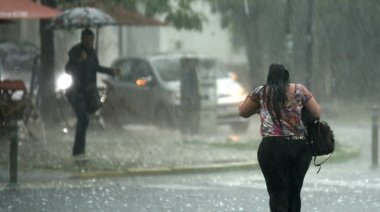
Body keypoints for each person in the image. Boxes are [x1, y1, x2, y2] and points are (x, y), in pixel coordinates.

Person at [238, 64, 321, 212]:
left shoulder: (261, 92)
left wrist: (258, 107)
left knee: (276, 192)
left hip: (272, 148)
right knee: (294, 192)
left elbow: (243, 112)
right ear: (286, 76)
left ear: (269, 76)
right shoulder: (300, 90)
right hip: (299, 147)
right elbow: (317, 113)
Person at [65, 28, 120, 158]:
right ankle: (78, 151)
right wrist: (79, 60)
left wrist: (111, 71)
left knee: (85, 120)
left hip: (88, 92)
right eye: (87, 40)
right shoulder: (75, 51)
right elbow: (68, 69)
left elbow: (96, 67)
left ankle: (80, 149)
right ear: (82, 39)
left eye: (92, 40)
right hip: (76, 91)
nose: (90, 42)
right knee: (83, 117)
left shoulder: (92, 53)